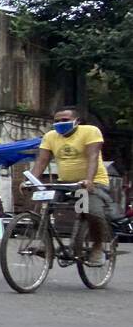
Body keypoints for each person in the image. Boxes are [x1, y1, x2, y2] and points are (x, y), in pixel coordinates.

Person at [29, 106, 117, 264]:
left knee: (93, 212)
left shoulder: (90, 131)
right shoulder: (50, 136)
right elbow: (42, 161)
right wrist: (31, 179)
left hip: (93, 182)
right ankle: (44, 242)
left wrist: (89, 180)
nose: (60, 123)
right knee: (42, 202)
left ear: (77, 121)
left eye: (65, 120)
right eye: (56, 121)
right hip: (65, 183)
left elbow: (93, 156)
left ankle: (97, 247)